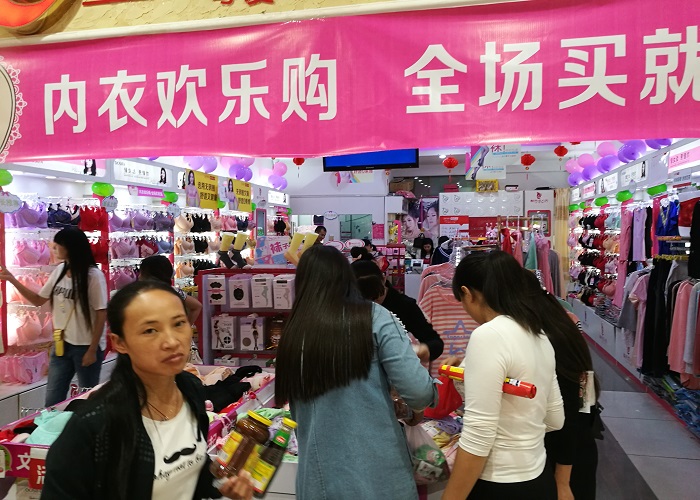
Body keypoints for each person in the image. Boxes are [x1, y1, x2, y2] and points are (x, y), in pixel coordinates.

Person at [41, 280, 254, 500]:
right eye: (150, 330)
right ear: (119, 342)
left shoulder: (190, 389)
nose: (171, 341)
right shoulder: (93, 426)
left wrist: (221, 487)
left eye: (179, 323)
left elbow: (193, 468)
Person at [276, 246, 437, 500]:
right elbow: (418, 392)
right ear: (346, 277)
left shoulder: (294, 332)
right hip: (378, 474)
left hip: (319, 478)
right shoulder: (375, 317)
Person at [442, 251, 564, 500]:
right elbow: (555, 419)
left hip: (498, 482)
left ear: (467, 293)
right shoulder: (538, 334)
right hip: (539, 478)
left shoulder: (488, 335)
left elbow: (478, 435)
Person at [0, 227, 108, 406]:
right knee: (52, 401)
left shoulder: (93, 276)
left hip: (86, 346)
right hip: (61, 345)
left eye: (58, 245)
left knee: (87, 399)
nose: (54, 248)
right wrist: (12, 280)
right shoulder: (60, 271)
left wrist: (92, 349)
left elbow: (101, 313)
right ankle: (54, 424)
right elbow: (38, 300)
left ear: (70, 247)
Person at [521, 269, 599, 500]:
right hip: (578, 444)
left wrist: (562, 479)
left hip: (562, 454)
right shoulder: (563, 321)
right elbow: (586, 396)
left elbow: (573, 412)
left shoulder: (540, 335)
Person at [351, 260, 443, 363]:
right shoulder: (348, 306)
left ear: (384, 279)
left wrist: (420, 350)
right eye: (364, 300)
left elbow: (434, 343)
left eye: (375, 298)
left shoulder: (404, 306)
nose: (373, 305)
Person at [139, 255, 203, 325]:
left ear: (150, 275)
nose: (139, 276)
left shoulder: (141, 295)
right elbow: (197, 306)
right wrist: (185, 327)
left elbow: (197, 306)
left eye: (142, 272)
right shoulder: (174, 291)